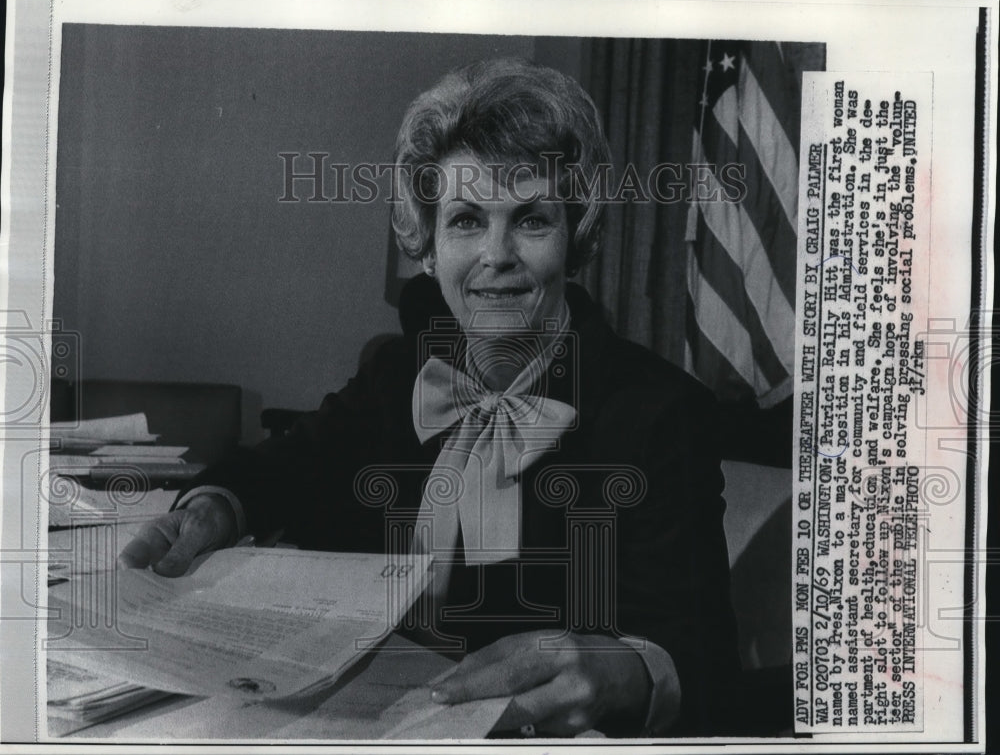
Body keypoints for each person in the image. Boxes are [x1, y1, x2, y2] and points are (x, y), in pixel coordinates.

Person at [119, 57, 741, 737]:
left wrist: (623, 670)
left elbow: (704, 663)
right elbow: (286, 468)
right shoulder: (399, 375)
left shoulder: (661, 412)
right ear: (427, 245)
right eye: (467, 220)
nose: (495, 254)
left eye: (531, 220)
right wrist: (211, 506)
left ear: (576, 239)